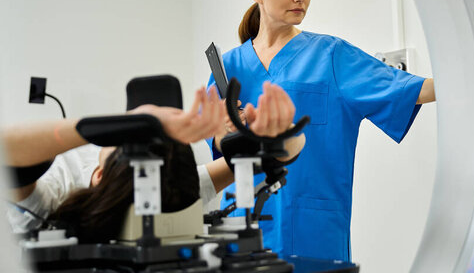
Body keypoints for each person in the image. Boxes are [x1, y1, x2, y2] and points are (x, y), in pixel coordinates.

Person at [207, 0, 436, 261]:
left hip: (313, 228)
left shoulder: (331, 55)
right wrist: (233, 128)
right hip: (243, 223)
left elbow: (413, 90)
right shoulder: (228, 67)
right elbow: (219, 148)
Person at [3, 84, 305, 242]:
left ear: (98, 175)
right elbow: (279, 153)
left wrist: (127, 123)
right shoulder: (173, 189)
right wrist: (276, 135)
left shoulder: (50, 203)